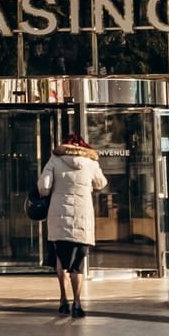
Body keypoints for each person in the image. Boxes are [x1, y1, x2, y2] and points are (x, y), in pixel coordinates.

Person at [38, 131, 107, 318]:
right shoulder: (92, 163)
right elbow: (101, 183)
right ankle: (78, 302)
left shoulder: (55, 160)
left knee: (61, 258)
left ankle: (63, 300)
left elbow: (44, 186)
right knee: (78, 263)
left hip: (59, 215)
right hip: (83, 215)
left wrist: (52, 192)